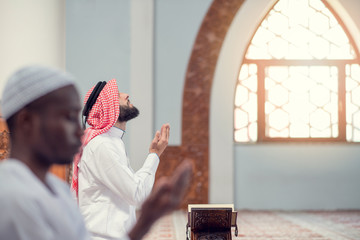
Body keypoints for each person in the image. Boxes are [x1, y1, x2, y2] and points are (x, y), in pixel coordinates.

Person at [0, 65, 192, 240]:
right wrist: (153, 158)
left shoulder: (55, 191)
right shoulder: (11, 197)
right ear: (26, 122)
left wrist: (146, 220)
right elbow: (136, 194)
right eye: (67, 117)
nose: (78, 130)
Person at [71, 79, 170, 239]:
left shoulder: (110, 142)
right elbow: (137, 194)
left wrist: (154, 154)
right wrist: (154, 155)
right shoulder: (102, 146)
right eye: (117, 95)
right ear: (106, 106)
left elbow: (133, 190)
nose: (126, 95)